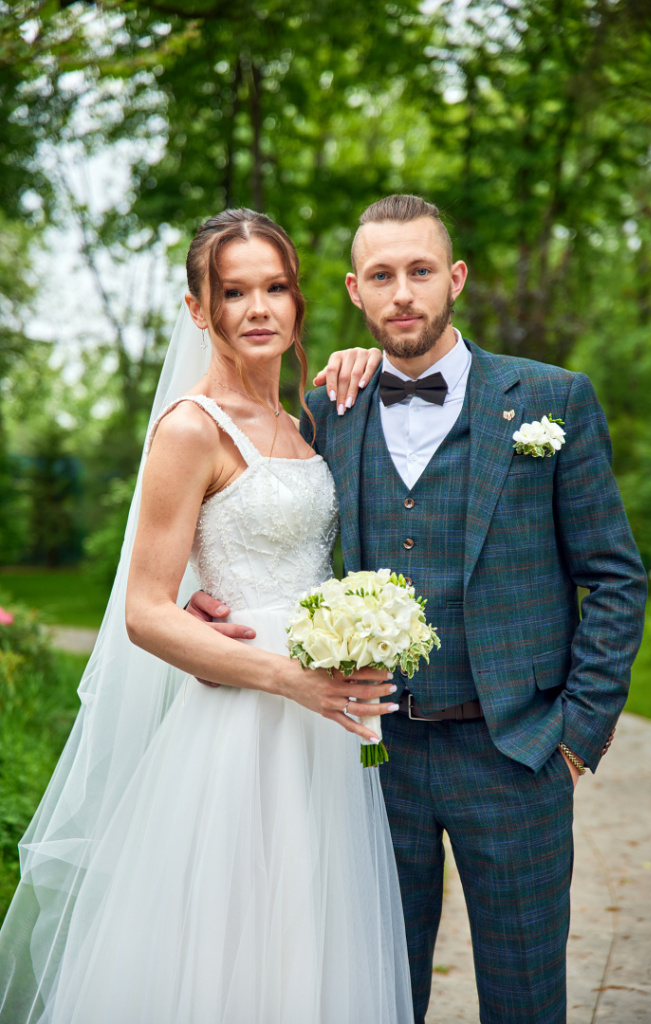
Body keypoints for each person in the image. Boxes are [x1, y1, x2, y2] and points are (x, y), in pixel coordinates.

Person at [193, 195, 648, 1024]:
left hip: (516, 754)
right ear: (354, 291)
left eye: (419, 271)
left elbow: (614, 577)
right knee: (374, 996)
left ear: (455, 278)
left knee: (525, 1000)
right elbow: (263, 517)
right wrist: (207, 598)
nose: (402, 293)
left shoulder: (551, 399)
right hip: (370, 761)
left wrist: (575, 738)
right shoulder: (327, 411)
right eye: (380, 276)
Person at [0, 209, 415, 1024]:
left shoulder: (304, 423)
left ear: (297, 300)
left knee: (307, 938)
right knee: (230, 951)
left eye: (275, 287)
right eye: (232, 292)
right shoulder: (191, 428)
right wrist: (288, 678)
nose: (258, 308)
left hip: (322, 733)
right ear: (197, 309)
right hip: (244, 727)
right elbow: (145, 613)